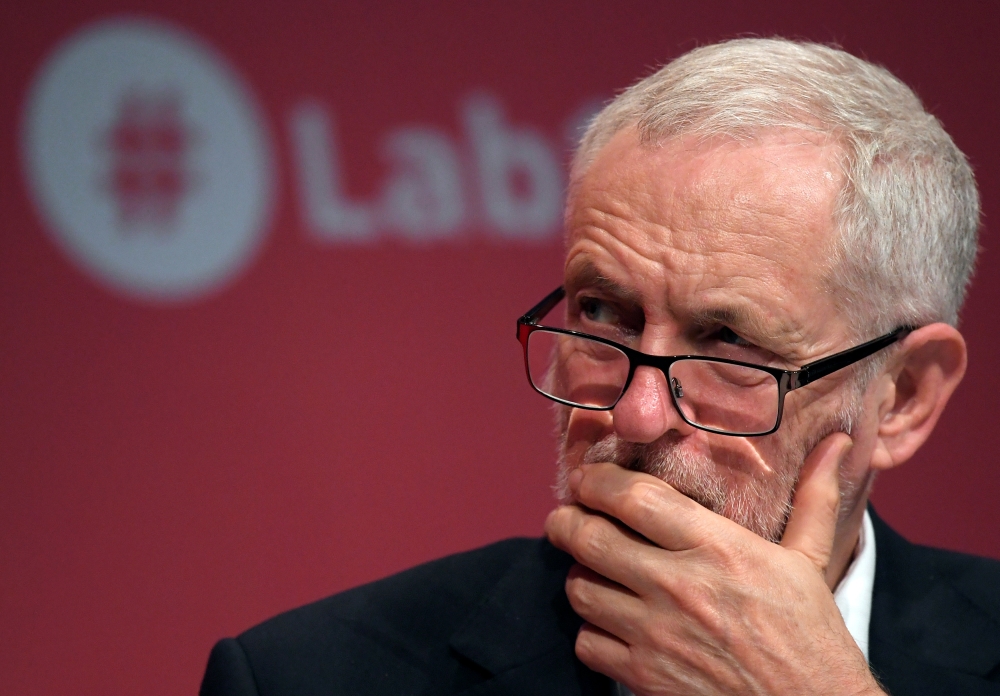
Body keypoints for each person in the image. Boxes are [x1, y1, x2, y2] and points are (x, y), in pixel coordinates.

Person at [200, 38, 1000, 696]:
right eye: (602, 313)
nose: (635, 414)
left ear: (902, 397)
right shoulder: (307, 679)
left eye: (728, 340)